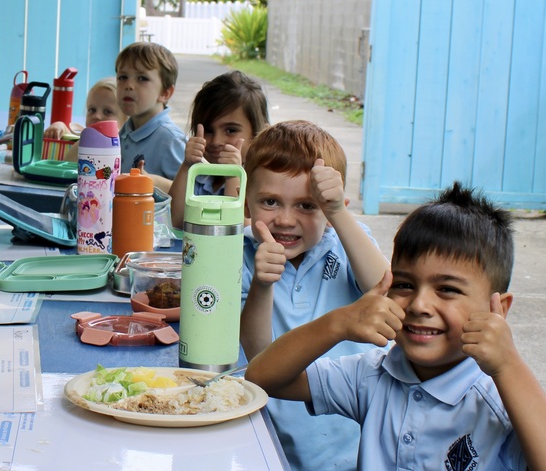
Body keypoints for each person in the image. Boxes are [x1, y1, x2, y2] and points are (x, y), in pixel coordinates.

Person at [246, 183, 546, 470]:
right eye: (404, 284)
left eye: (447, 289)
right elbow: (263, 377)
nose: (418, 305)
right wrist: (339, 323)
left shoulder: (499, 398)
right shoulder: (375, 376)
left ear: (498, 309)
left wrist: (509, 364)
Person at [239, 119, 388, 471]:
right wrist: (263, 284)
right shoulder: (240, 252)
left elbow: (386, 291)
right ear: (248, 203)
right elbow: (258, 354)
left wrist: (339, 214)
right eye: (271, 202)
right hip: (271, 441)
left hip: (351, 442)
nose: (286, 220)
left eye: (307, 206)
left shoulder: (349, 241)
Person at [168, 70, 270, 227]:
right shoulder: (201, 177)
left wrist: (232, 175)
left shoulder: (263, 180)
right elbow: (175, 221)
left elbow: (238, 229)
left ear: (260, 133)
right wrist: (187, 165)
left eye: (231, 130)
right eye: (209, 130)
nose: (216, 141)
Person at [114, 42, 186, 192]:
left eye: (142, 78)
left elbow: (191, 193)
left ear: (165, 93)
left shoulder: (170, 139)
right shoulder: (126, 130)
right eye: (122, 77)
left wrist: (153, 182)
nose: (129, 85)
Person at [41, 77, 124, 160]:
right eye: (92, 110)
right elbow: (70, 138)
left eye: (107, 112)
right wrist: (60, 126)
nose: (97, 116)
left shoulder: (125, 148)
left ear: (124, 121)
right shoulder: (84, 140)